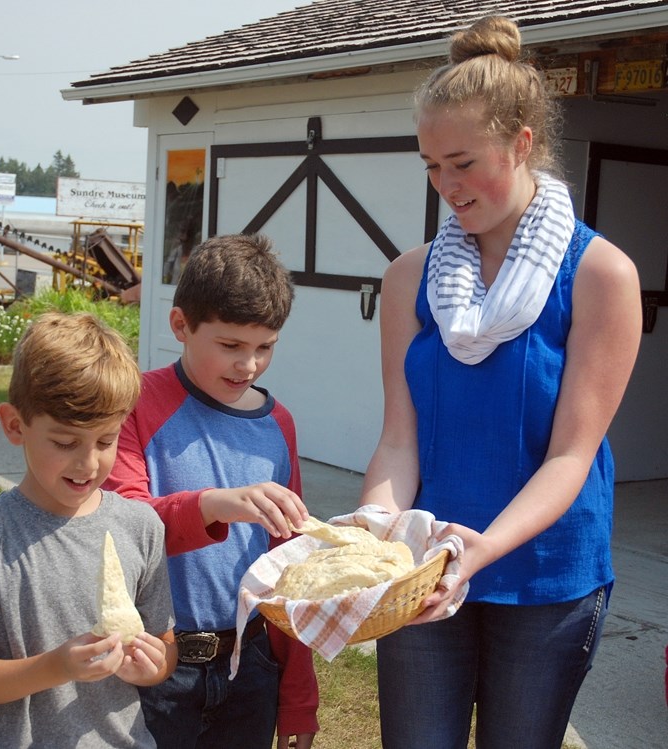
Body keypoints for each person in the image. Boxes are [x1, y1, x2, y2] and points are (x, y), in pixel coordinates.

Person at [359, 15, 641, 749]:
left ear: (521, 143)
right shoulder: (407, 280)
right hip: (424, 573)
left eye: (462, 161)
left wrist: (476, 552)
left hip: (547, 579)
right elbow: (399, 439)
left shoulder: (601, 275)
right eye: (430, 165)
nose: (446, 186)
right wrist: (369, 532)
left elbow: (571, 458)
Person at [0, 311, 177, 748]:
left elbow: (164, 645)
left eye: (105, 440)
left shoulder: (140, 526)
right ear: (15, 425)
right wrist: (56, 667)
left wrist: (154, 666)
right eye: (65, 443)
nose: (88, 463)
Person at [104, 233, 319, 749]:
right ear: (180, 324)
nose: (248, 365)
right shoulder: (135, 402)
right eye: (230, 346)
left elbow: (290, 569)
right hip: (155, 664)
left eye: (264, 347)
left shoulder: (279, 424)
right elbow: (122, 529)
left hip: (253, 664)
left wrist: (299, 702)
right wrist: (215, 503)